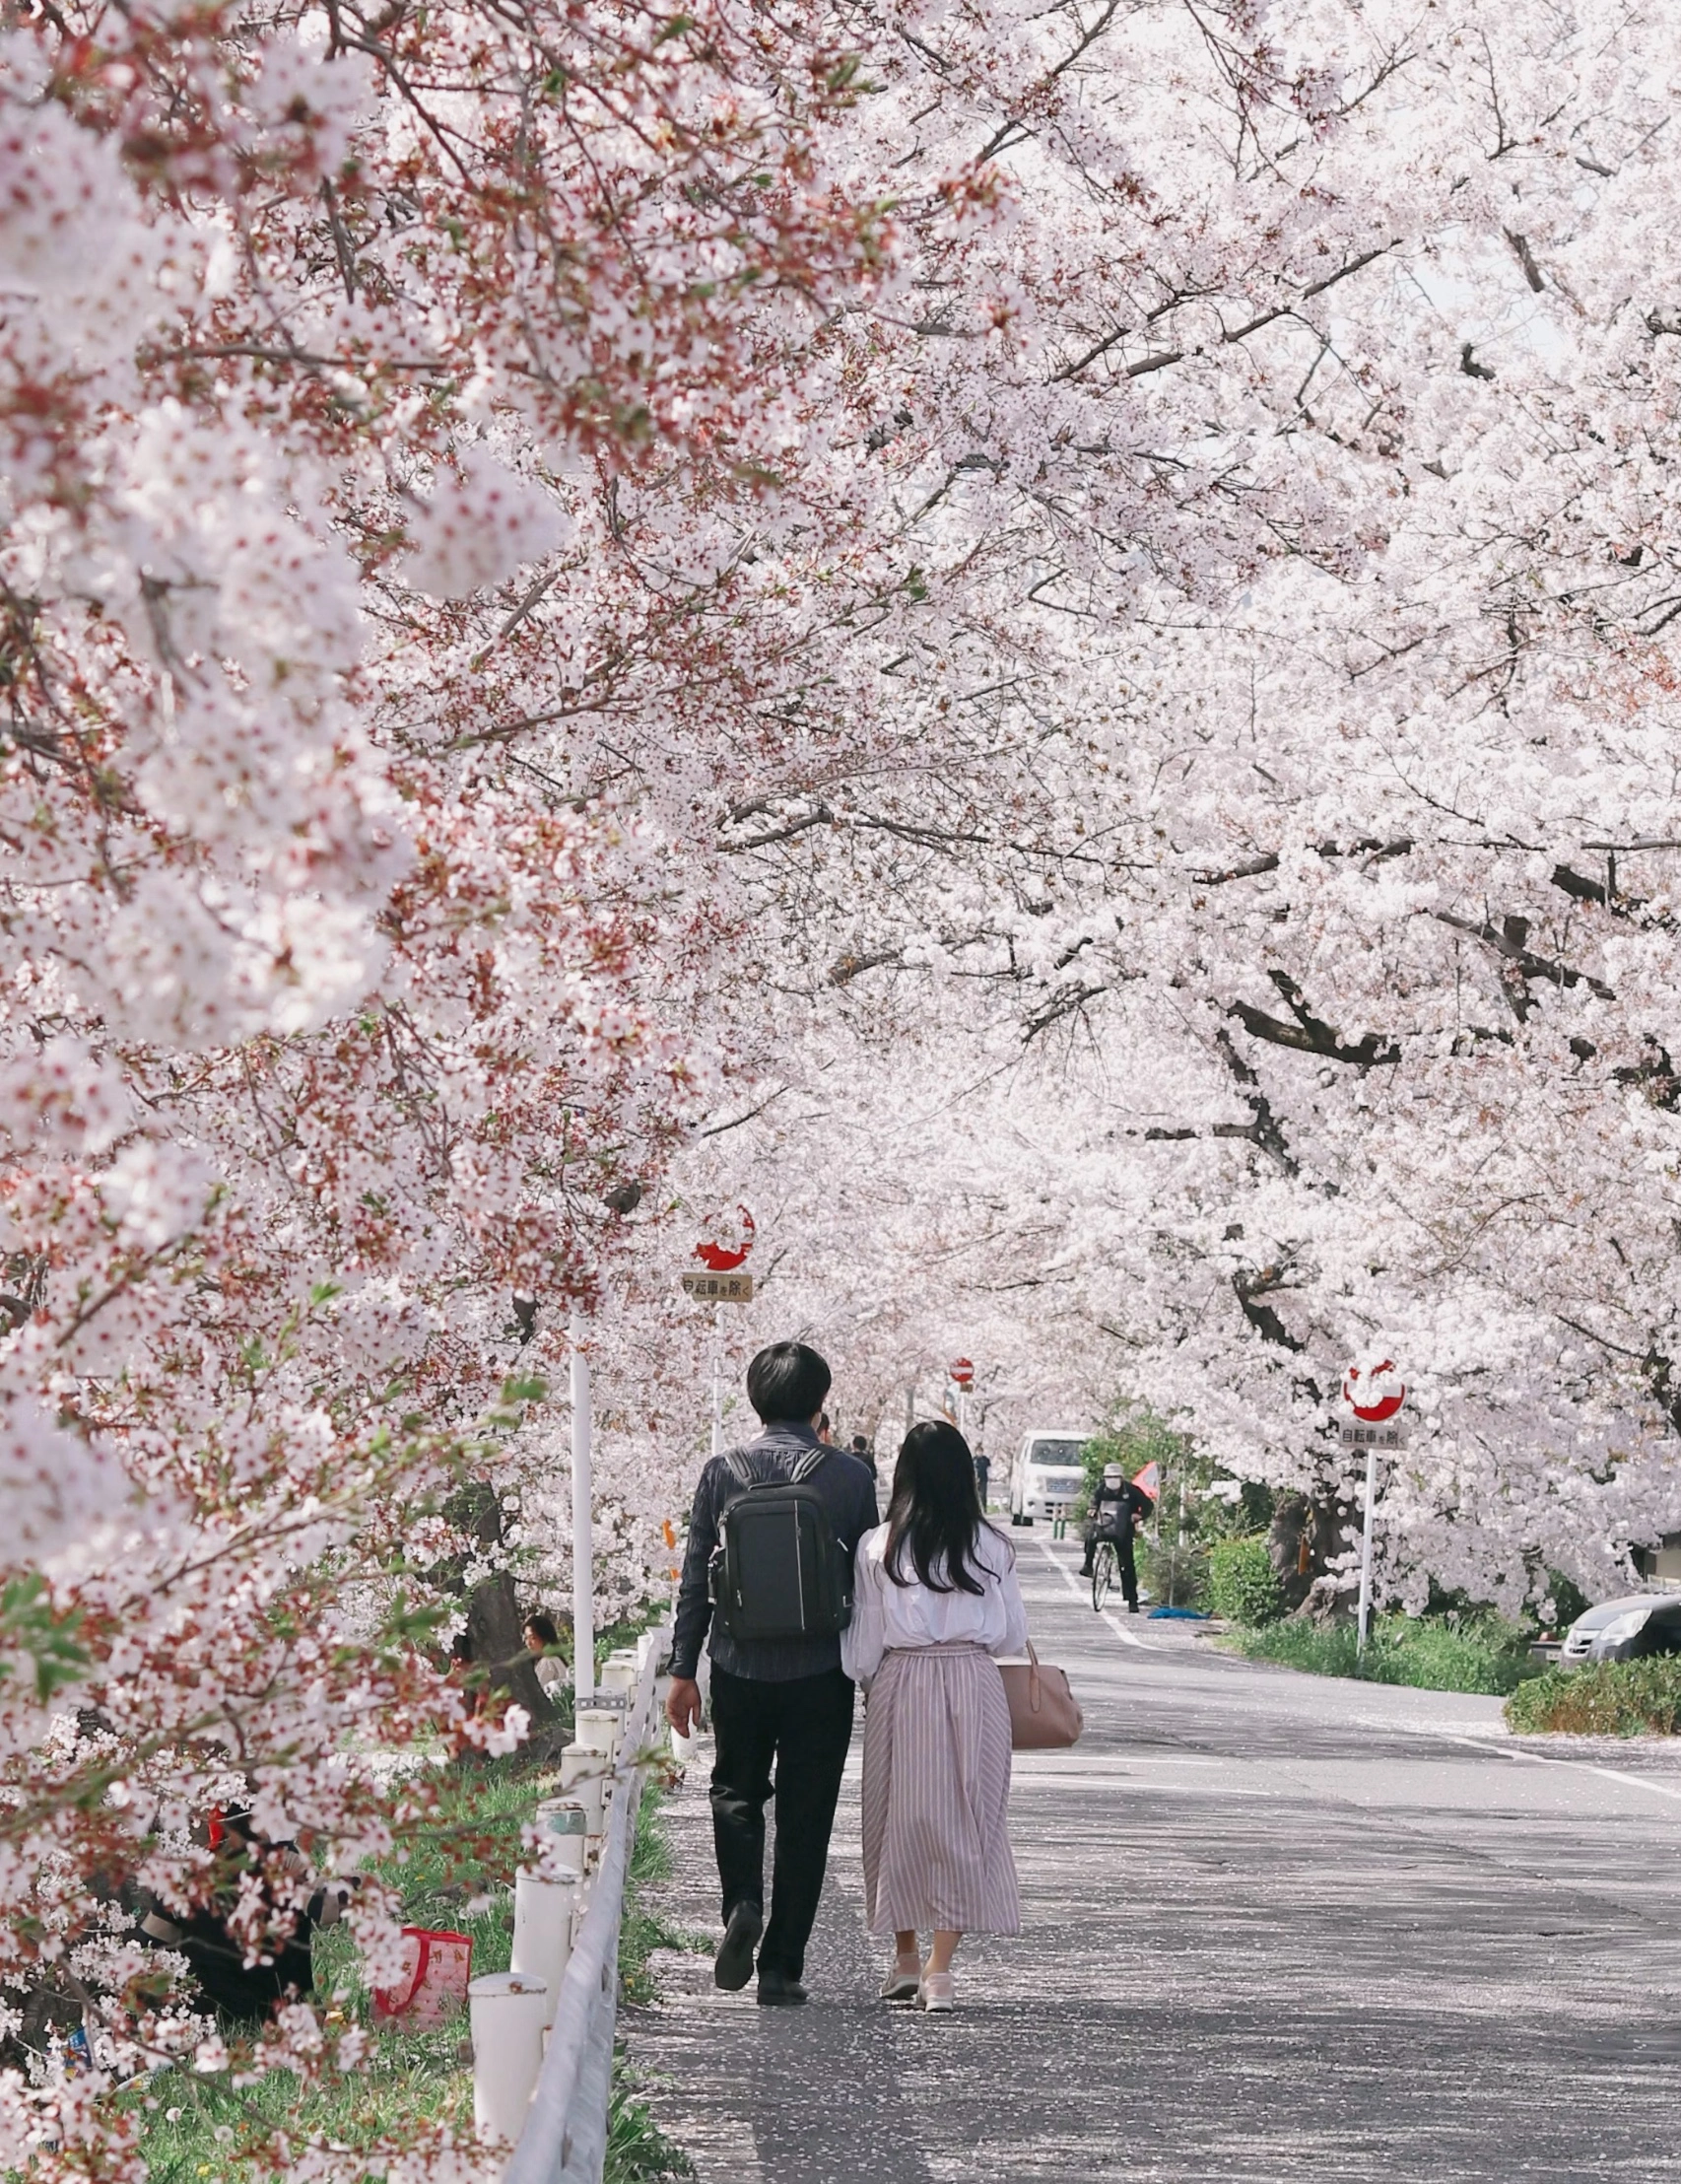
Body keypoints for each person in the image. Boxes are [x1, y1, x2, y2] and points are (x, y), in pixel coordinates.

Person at [666, 1341, 878, 2007]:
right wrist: (873, 1673)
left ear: (754, 1399)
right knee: (806, 1814)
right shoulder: (848, 1478)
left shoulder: (722, 1471)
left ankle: (741, 1905)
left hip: (739, 1665)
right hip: (822, 1671)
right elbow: (868, 1584)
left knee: (735, 1791)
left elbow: (697, 1578)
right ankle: (782, 1966)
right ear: (821, 1402)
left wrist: (682, 1670)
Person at [841, 1420, 1027, 2013]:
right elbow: (1011, 1637)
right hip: (974, 1681)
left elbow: (864, 1643)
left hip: (902, 1680)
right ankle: (939, 1972)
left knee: (897, 1817)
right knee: (972, 1820)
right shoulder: (992, 1546)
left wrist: (874, 1680)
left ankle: (902, 1957)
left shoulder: (879, 1545)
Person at [1079, 1461, 1152, 1611]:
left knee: (1127, 1565)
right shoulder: (1101, 1489)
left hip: (1124, 1532)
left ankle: (1132, 1599)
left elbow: (1147, 1505)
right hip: (1104, 1527)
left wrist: (1138, 1515)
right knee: (1091, 1536)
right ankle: (1088, 1565)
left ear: (1121, 1478)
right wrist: (1092, 1509)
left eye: (1115, 1477)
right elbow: (1094, 1502)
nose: (1112, 1481)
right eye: (1109, 1477)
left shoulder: (1131, 1491)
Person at [523, 1610, 568, 1698]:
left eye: (533, 1638)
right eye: (526, 1638)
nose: (528, 1643)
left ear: (545, 1637)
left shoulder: (548, 1662)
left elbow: (536, 1695)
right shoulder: (552, 1660)